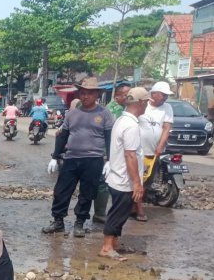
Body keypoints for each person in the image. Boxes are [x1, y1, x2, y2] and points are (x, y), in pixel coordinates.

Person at [42, 77, 114, 237]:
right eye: (83, 93)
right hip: (71, 158)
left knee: (87, 192)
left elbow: (109, 137)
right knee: (61, 191)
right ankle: (58, 221)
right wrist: (55, 156)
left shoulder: (104, 114)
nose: (85, 96)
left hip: (93, 159)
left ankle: (80, 222)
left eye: (89, 93)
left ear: (97, 95)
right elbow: (63, 135)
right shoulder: (72, 114)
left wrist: (109, 159)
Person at [99, 87, 149, 262]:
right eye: (146, 102)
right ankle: (106, 247)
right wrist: (137, 183)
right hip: (123, 179)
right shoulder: (131, 125)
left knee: (120, 210)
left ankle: (114, 243)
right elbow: (130, 155)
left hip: (117, 176)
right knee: (118, 213)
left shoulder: (122, 120)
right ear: (141, 103)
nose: (147, 106)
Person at [136, 81, 174, 223]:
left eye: (166, 96)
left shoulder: (167, 108)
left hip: (153, 152)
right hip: (138, 151)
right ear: (154, 93)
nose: (165, 98)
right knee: (136, 180)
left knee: (146, 181)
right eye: (163, 95)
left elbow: (166, 128)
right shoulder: (143, 105)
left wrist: (160, 146)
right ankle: (137, 208)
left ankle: (136, 206)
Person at [93, 84, 130, 224]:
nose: (129, 97)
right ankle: (100, 213)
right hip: (109, 152)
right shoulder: (114, 110)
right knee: (104, 182)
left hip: (114, 152)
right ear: (118, 96)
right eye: (126, 94)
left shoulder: (122, 109)